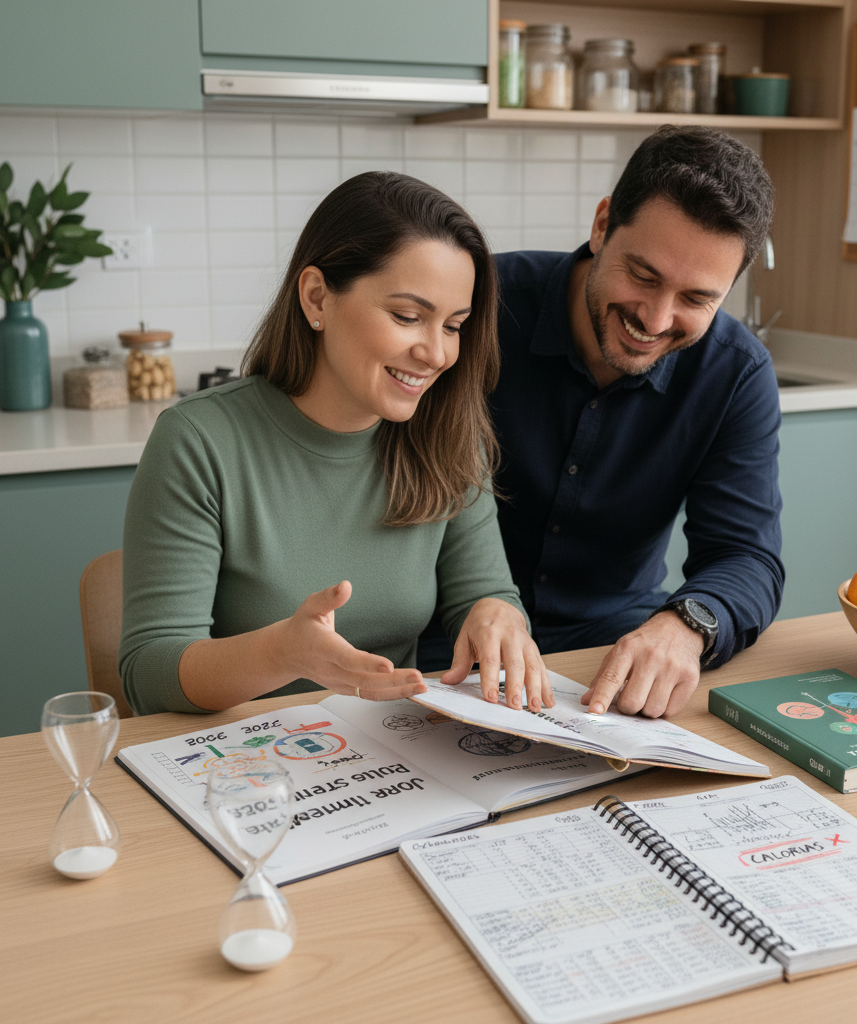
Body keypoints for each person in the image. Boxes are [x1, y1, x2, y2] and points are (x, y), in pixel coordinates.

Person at [119, 172, 552, 717]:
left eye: (453, 326)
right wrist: (282, 653)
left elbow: (484, 593)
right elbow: (148, 673)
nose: (437, 354)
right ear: (316, 297)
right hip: (242, 752)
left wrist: (496, 614)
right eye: (408, 317)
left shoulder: (449, 436)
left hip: (390, 746)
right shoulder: (199, 440)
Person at [419, 126, 784, 720]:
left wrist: (686, 625)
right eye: (643, 275)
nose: (656, 319)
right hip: (446, 644)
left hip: (610, 651)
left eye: (696, 299)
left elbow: (747, 556)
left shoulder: (737, 373)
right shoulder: (477, 306)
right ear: (602, 225)